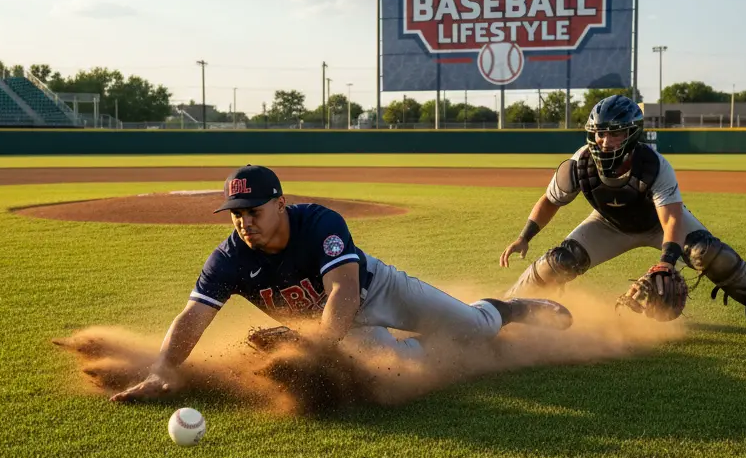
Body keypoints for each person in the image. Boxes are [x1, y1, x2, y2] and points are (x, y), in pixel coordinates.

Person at [112, 164, 573, 401]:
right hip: (340, 329)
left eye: (254, 210)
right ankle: (441, 346)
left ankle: (510, 310)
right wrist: (161, 370)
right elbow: (193, 317)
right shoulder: (229, 258)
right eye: (237, 214)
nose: (244, 222)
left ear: (280, 204)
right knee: (393, 366)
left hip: (378, 291)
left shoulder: (318, 223)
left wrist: (310, 346)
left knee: (475, 327)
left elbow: (344, 292)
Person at [499, 95, 746, 335]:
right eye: (600, 133)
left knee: (709, 253)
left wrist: (667, 262)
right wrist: (524, 237)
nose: (605, 141)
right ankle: (503, 309)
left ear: (631, 134)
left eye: (614, 133)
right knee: (559, 261)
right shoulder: (579, 163)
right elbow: (551, 200)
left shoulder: (654, 165)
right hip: (608, 224)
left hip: (658, 223)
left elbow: (670, 219)